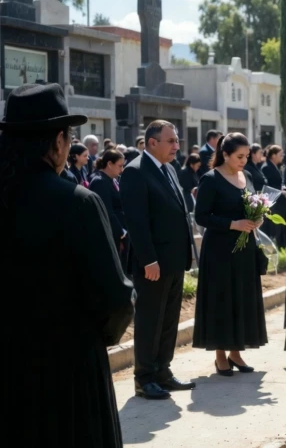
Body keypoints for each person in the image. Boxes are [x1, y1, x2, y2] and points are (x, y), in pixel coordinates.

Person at [1, 83, 135, 448]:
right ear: (59, 142)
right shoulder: (78, 202)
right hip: (70, 373)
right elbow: (115, 298)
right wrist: (94, 338)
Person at [121, 120, 196, 400]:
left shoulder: (170, 169)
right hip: (153, 264)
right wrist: (148, 260)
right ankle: (144, 377)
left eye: (177, 141)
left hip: (174, 260)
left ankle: (163, 370)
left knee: (169, 320)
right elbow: (138, 222)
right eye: (171, 141)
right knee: (150, 320)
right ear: (152, 143)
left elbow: (178, 214)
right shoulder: (135, 172)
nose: (177, 146)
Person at [193, 133, 269, 374]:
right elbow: (201, 216)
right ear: (224, 154)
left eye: (247, 156)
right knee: (222, 299)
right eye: (239, 156)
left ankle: (236, 352)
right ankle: (220, 354)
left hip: (244, 248)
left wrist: (258, 219)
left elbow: (253, 205)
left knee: (241, 298)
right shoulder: (210, 179)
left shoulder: (245, 176)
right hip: (219, 250)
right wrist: (232, 224)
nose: (244, 161)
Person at [89, 150, 130, 270]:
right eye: (120, 166)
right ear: (110, 164)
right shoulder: (100, 181)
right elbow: (106, 210)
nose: (122, 170)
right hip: (112, 234)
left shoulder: (111, 179)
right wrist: (121, 232)